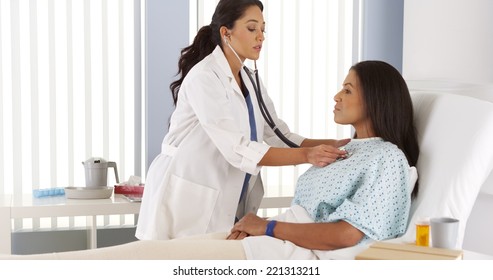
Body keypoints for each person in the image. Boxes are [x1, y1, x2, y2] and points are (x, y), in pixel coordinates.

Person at [1, 60, 420, 260]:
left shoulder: (386, 159)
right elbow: (248, 142)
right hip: (269, 240)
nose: (336, 96)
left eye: (347, 89)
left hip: (285, 252)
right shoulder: (350, 150)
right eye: (252, 29)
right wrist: (264, 227)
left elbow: (349, 235)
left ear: (378, 98)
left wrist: (268, 225)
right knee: (135, 257)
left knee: (138, 261)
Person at [136, 0, 349, 241]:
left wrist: (337, 144)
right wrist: (308, 155)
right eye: (251, 28)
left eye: (263, 29)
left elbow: (279, 135)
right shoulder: (204, 78)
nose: (261, 37)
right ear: (226, 33)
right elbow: (236, 148)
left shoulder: (248, 79)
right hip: (187, 197)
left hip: (228, 196)